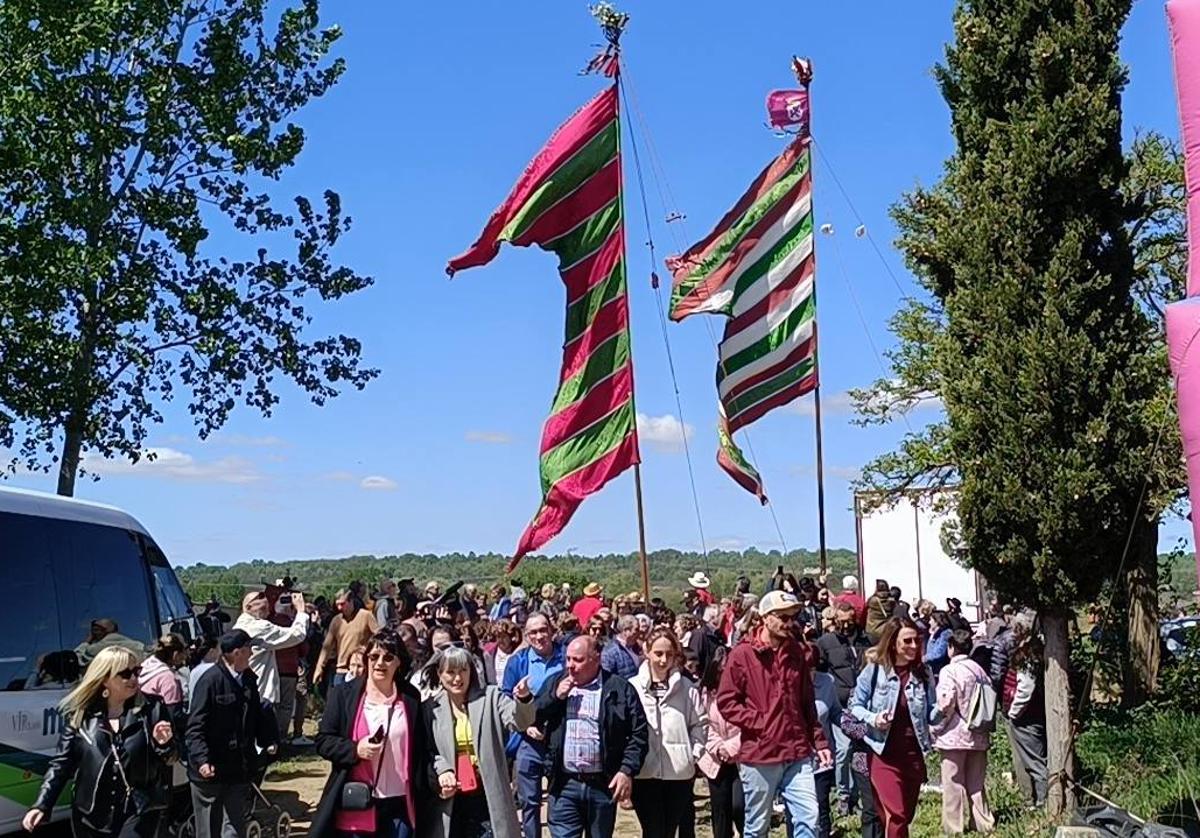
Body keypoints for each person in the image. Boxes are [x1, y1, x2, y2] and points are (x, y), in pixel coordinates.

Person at [23, 647, 175, 838]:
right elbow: (61, 764)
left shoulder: (152, 708)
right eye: (125, 674)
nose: (134, 679)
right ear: (105, 679)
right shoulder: (80, 714)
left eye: (137, 672)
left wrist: (164, 744)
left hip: (138, 810)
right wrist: (42, 804)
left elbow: (170, 759)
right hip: (90, 814)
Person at [716, 591, 832, 838]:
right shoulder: (742, 654)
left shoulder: (797, 652)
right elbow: (726, 701)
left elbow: (807, 702)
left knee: (809, 820)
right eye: (783, 617)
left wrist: (819, 740)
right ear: (765, 618)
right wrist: (760, 722)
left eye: (793, 617)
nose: (789, 623)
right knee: (758, 827)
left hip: (797, 750)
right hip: (760, 754)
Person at [516, 635, 648, 838]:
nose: (570, 666)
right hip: (564, 784)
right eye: (568, 659)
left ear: (596, 659)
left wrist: (626, 770)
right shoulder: (556, 683)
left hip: (602, 785)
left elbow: (638, 734)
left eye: (578, 660)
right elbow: (532, 717)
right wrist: (555, 697)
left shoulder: (619, 689)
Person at [312, 629, 427, 838]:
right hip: (358, 801)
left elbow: (421, 748)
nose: (380, 663)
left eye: (388, 657)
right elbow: (323, 740)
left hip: (400, 802)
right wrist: (355, 749)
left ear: (398, 662)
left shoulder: (410, 698)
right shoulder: (343, 694)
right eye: (374, 656)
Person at [422, 647, 535, 838]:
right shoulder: (430, 708)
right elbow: (429, 751)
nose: (458, 679)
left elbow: (521, 721)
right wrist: (443, 770)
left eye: (463, 671)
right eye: (451, 672)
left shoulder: (491, 697)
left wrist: (523, 699)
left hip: (487, 795)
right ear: (440, 674)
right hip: (452, 800)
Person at [849, 618, 942, 838]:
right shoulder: (874, 672)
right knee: (897, 815)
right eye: (907, 641)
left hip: (912, 755)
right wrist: (874, 718)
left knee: (905, 815)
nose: (913, 646)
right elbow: (855, 707)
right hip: (883, 754)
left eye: (916, 641)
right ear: (892, 643)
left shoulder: (923, 673)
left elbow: (931, 715)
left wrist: (943, 709)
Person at [186, 630, 279, 838]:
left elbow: (255, 715)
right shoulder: (210, 681)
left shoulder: (248, 679)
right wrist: (202, 760)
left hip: (238, 767)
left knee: (235, 828)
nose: (252, 654)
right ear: (237, 653)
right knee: (210, 830)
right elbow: (195, 727)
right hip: (210, 771)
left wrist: (268, 740)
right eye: (249, 650)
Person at [628, 628, 707, 838]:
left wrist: (693, 754)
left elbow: (699, 724)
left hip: (678, 772)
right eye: (658, 654)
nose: (663, 660)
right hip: (644, 772)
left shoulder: (687, 689)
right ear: (647, 652)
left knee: (668, 830)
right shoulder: (632, 687)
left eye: (669, 654)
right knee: (653, 830)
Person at [500, 613, 566, 838]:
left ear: (552, 630)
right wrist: (524, 726)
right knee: (529, 802)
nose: (539, 636)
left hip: (560, 739)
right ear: (526, 636)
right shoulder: (517, 663)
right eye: (533, 632)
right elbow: (505, 699)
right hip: (528, 741)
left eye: (543, 630)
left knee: (560, 798)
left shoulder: (567, 657)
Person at [932, 630, 994, 835]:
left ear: (951, 647)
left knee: (953, 783)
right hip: (979, 730)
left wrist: (936, 726)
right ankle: (984, 822)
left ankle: (954, 827)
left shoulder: (950, 671)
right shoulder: (980, 671)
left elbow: (946, 703)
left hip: (954, 734)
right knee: (976, 782)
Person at [233, 589, 311, 705]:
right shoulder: (258, 627)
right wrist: (300, 611)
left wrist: (279, 611)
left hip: (248, 690)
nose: (265, 600)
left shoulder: (240, 624)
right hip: (260, 693)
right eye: (260, 597)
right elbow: (297, 635)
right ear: (248, 607)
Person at [697, 647, 744, 838]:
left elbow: (750, 724)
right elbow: (702, 724)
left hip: (742, 757)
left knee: (738, 806)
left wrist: (732, 747)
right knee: (720, 810)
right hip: (715, 759)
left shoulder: (745, 692)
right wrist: (718, 748)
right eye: (720, 670)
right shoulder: (705, 694)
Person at [1004, 624, 1047, 807]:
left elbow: (1025, 688)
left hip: (1027, 718)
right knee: (1033, 761)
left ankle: (1044, 804)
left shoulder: (1028, 657)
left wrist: (1013, 713)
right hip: (1030, 716)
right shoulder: (1034, 652)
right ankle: (1040, 801)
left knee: (1036, 763)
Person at [316, 590, 381, 689]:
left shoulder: (365, 616)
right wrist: (319, 667)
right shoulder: (336, 620)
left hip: (359, 670)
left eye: (342, 604)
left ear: (351, 602)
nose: (339, 608)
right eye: (337, 605)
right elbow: (327, 646)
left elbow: (379, 637)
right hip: (341, 670)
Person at [271, 594, 312, 745]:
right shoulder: (292, 625)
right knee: (286, 706)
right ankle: (281, 737)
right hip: (288, 669)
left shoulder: (270, 623)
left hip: (272, 670)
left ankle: (270, 737)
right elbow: (303, 648)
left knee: (273, 704)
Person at [810, 657, 842, 838]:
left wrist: (853, 726)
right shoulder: (788, 684)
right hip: (797, 757)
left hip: (823, 756)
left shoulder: (827, 682)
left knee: (821, 803)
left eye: (813, 668)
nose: (811, 674)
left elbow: (836, 711)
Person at [140, 633, 187, 713]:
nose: (185, 657)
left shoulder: (145, 668)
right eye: (183, 652)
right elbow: (174, 714)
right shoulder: (168, 678)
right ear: (175, 655)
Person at [74, 618, 146, 665]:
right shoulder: (139, 646)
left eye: (95, 630)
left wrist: (87, 641)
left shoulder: (93, 650)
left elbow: (75, 659)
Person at [483, 620, 520, 686]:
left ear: (511, 637)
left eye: (504, 637)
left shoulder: (518, 655)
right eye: (498, 637)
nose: (500, 640)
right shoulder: (489, 654)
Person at [923, 612, 952, 678]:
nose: (929, 622)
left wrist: (925, 658)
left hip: (939, 668)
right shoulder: (932, 632)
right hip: (931, 667)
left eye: (931, 620)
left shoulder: (945, 633)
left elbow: (939, 652)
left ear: (937, 621)